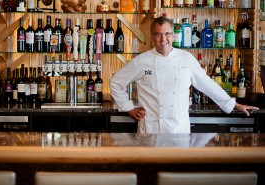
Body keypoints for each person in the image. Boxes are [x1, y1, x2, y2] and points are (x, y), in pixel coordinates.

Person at [110, 16, 259, 134]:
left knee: (177, 171)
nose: (163, 39)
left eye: (167, 34)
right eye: (158, 34)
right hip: (150, 129)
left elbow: (207, 84)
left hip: (179, 130)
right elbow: (116, 82)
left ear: (173, 36)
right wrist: (128, 107)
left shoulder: (186, 58)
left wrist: (233, 104)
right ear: (152, 36)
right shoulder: (141, 61)